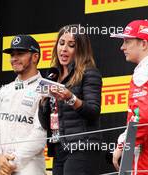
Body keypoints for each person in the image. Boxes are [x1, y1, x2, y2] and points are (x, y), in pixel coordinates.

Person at [38, 24, 102, 175]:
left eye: (71, 45)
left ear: (80, 49)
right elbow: (45, 123)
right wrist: (42, 103)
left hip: (82, 147)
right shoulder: (53, 76)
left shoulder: (89, 72)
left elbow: (93, 111)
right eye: (61, 43)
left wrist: (70, 98)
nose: (64, 49)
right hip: (59, 147)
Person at [0, 35, 47, 175]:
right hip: (2, 168)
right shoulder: (5, 90)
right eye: (12, 55)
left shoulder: (45, 89)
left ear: (35, 57)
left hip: (29, 168)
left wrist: (12, 163)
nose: (14, 58)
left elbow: (40, 134)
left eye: (20, 54)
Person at [111, 19, 148, 174]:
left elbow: (142, 118)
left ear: (143, 44)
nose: (122, 47)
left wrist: (122, 146)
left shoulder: (145, 72)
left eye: (127, 41)